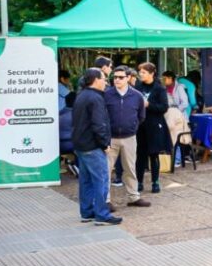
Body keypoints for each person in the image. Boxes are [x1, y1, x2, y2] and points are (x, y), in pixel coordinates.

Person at [71, 68, 122, 226]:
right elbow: (99, 124)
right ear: (95, 80)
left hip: (81, 144)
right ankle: (102, 214)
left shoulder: (82, 96)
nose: (106, 82)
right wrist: (104, 143)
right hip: (93, 146)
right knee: (101, 179)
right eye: (104, 79)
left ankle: (87, 212)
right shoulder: (96, 98)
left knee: (86, 180)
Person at [104, 66, 151, 208]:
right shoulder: (106, 94)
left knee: (130, 168)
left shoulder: (137, 96)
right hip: (110, 138)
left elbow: (141, 116)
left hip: (129, 137)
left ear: (128, 78)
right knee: (106, 170)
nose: (117, 79)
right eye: (115, 77)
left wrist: (132, 127)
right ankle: (105, 200)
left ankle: (134, 197)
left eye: (120, 77)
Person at [135, 62, 172, 193]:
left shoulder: (159, 88)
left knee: (154, 155)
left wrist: (148, 104)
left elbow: (164, 107)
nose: (141, 74)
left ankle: (155, 182)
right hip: (140, 125)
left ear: (151, 74)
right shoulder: (138, 86)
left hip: (155, 125)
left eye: (144, 72)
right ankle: (138, 182)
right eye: (140, 72)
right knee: (140, 155)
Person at [59, 91, 79, 176]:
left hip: (57, 145)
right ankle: (78, 167)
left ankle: (70, 162)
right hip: (70, 144)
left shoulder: (59, 113)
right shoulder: (76, 115)